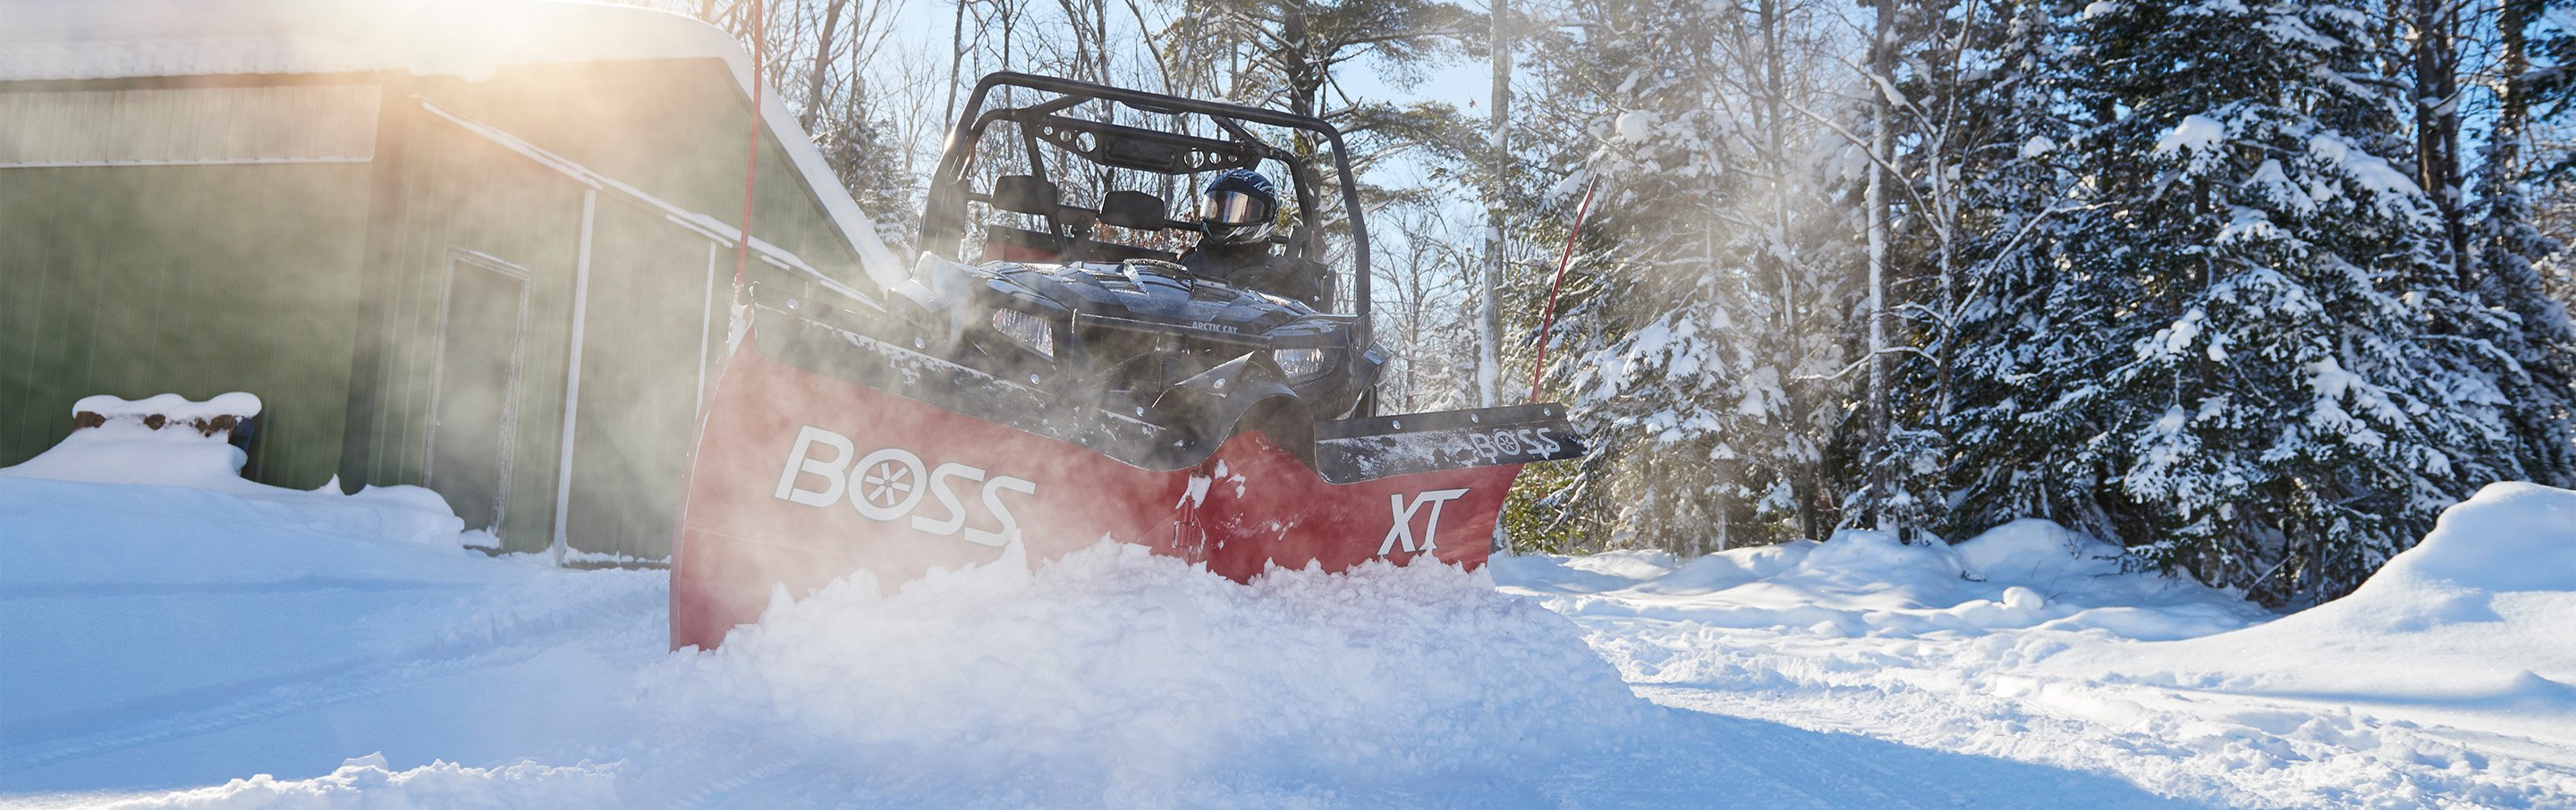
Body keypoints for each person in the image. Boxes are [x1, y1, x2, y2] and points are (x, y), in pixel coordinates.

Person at [1178, 169, 1318, 303]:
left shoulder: (1277, 274)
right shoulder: (1187, 263)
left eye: (1236, 210)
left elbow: (1298, 318)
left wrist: (1298, 289)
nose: (1223, 217)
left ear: (1264, 214)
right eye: (1219, 210)